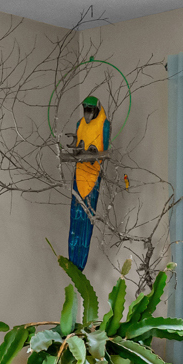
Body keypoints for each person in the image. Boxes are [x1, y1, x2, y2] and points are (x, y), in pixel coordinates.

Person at [66, 95, 110, 271]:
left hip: (92, 175)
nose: (87, 114)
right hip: (79, 173)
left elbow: (103, 150)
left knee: (86, 217)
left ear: (97, 110)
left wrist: (93, 154)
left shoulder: (104, 125)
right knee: (75, 216)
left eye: (91, 110)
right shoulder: (80, 124)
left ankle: (80, 263)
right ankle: (73, 261)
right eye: (85, 110)